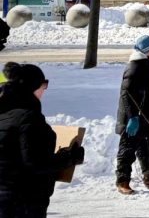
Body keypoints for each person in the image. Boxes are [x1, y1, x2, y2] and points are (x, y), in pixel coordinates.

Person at [0, 64, 86, 218]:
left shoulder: (5, 114)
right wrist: (69, 157)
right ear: (31, 87)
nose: (44, 91)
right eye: (43, 85)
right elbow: (36, 163)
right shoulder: (29, 118)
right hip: (24, 201)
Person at [114, 35, 149, 194]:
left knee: (147, 147)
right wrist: (132, 117)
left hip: (146, 115)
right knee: (127, 149)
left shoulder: (148, 64)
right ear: (147, 50)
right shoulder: (135, 67)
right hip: (133, 117)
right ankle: (122, 181)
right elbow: (127, 94)